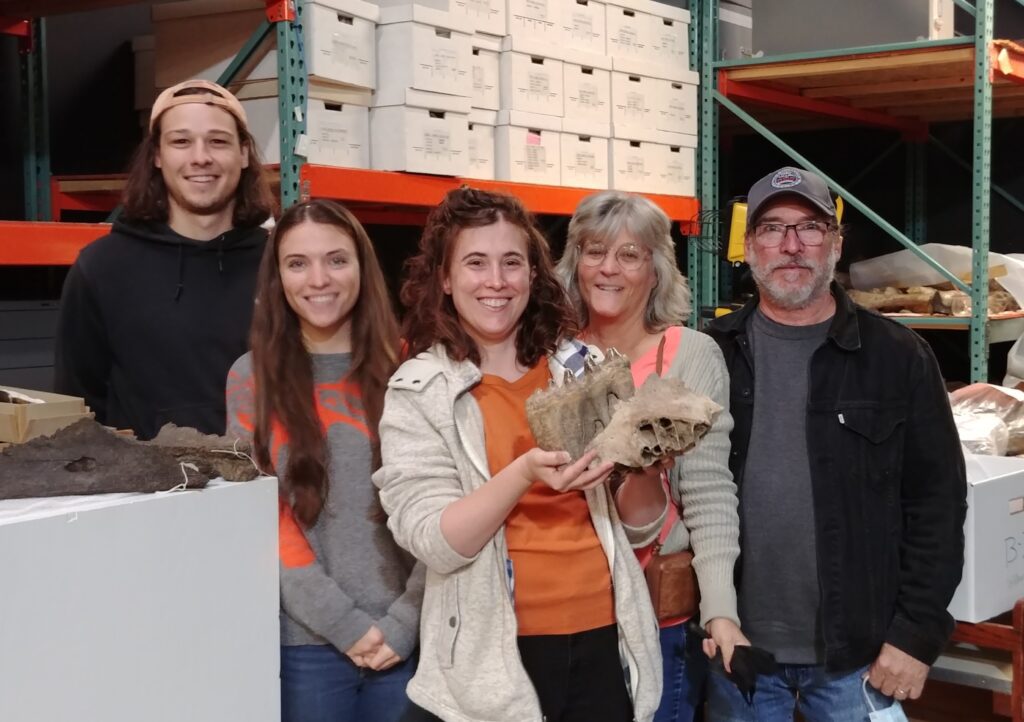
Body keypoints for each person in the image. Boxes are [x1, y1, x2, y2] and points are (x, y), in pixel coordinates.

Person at [373, 187, 662, 722]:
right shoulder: (420, 389)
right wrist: (524, 472)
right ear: (444, 277)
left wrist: (645, 462)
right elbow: (435, 542)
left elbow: (641, 527)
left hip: (603, 638)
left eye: (512, 262)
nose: (496, 281)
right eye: (475, 263)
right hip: (492, 657)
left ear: (534, 273)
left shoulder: (584, 366)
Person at [704, 166, 968, 721]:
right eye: (773, 229)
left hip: (861, 657)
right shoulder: (711, 355)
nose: (791, 245)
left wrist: (915, 635)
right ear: (749, 246)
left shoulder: (898, 357)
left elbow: (937, 507)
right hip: (739, 654)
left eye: (810, 227)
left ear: (837, 243)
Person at [225, 199, 424, 722]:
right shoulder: (251, 378)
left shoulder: (414, 369)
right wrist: (344, 624)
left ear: (362, 266)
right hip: (304, 647)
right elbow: (267, 525)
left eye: (336, 259)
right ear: (277, 278)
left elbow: (443, 510)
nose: (319, 279)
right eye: (298, 263)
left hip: (409, 641)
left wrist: (406, 621)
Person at [556, 190, 747, 722]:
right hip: (566, 612)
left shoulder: (689, 353)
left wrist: (720, 613)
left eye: (629, 255)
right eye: (594, 252)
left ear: (656, 269)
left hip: (655, 613)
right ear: (576, 263)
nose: (608, 269)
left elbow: (709, 493)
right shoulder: (550, 350)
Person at [55, 78, 276, 439]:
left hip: (268, 487)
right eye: (181, 141)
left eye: (218, 141)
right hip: (155, 490)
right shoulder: (102, 268)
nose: (200, 157)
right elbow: (76, 408)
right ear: (157, 155)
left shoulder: (283, 265)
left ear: (244, 154)